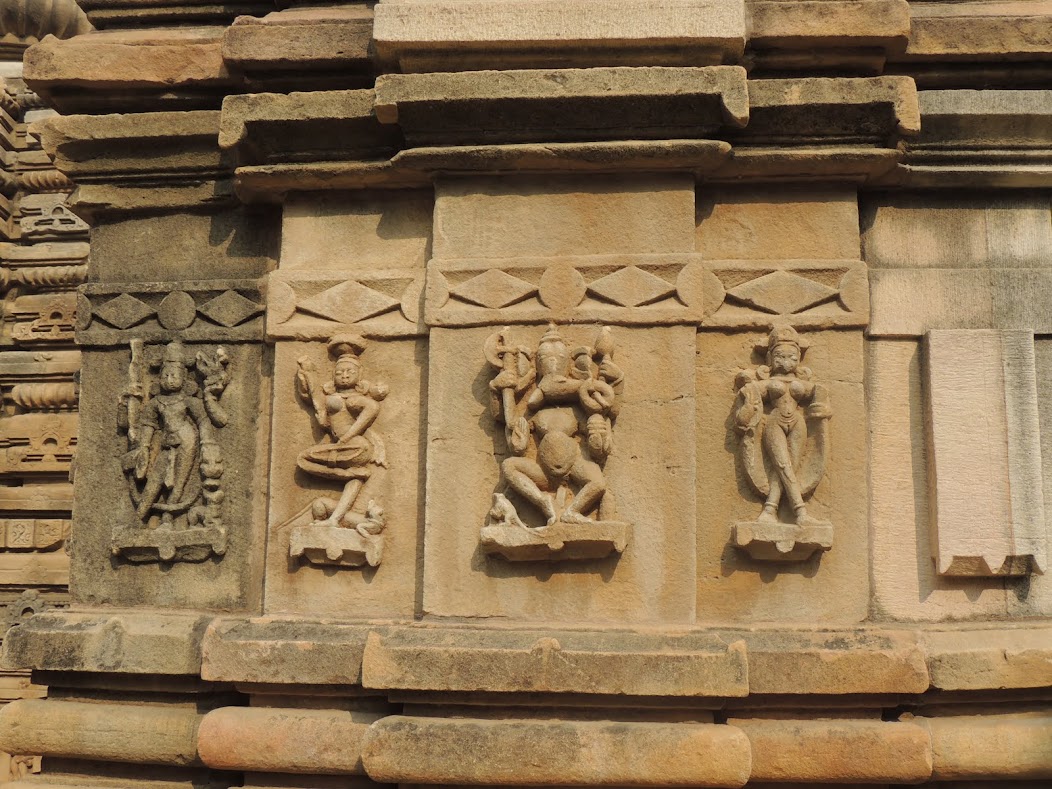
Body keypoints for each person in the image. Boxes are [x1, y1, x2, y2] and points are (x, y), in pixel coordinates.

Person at [734, 325, 830, 525]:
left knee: (789, 467)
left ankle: (770, 510)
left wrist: (820, 403)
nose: (786, 361)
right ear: (770, 358)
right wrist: (748, 388)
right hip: (775, 422)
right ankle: (800, 512)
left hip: (797, 423)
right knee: (783, 464)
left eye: (792, 357)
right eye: (780, 356)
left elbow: (818, 392)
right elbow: (752, 392)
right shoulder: (769, 383)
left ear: (798, 359)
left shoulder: (801, 383)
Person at [296, 334, 387, 532]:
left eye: (350, 372)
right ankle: (348, 477)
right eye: (339, 373)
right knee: (304, 460)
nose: (344, 376)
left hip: (356, 446)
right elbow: (316, 404)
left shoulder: (355, 399)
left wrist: (349, 435)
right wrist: (306, 378)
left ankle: (348, 476)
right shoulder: (332, 396)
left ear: (359, 375)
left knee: (304, 458)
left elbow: (372, 408)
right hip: (343, 447)